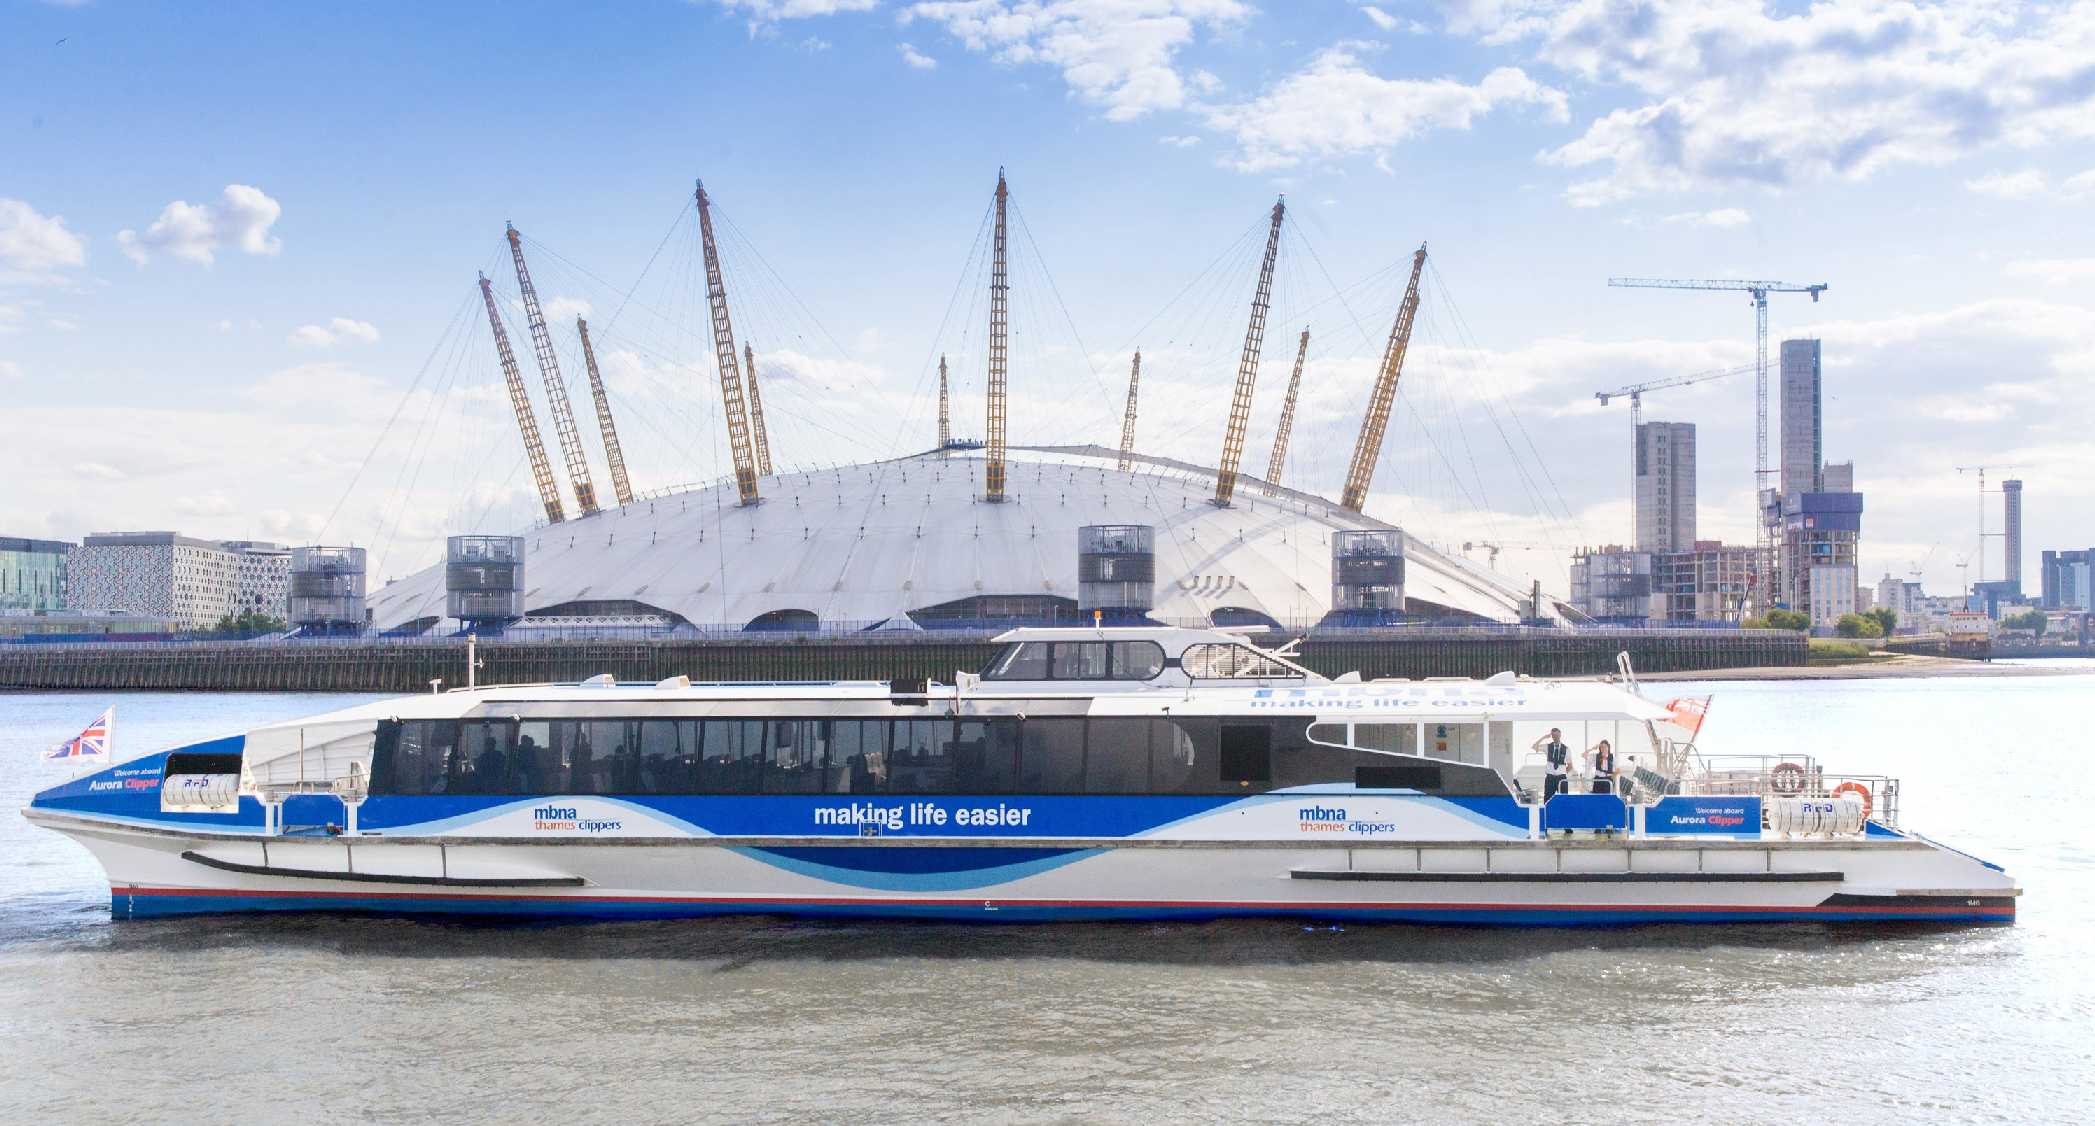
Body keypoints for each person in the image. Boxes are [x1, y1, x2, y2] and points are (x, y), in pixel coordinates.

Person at [1531, 728, 1570, 802]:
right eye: (1553, 735)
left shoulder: (1566, 749)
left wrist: (1561, 773)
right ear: (1551, 736)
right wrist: (1544, 737)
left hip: (1561, 778)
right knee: (1547, 800)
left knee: (1564, 800)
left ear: (1560, 735)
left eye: (1557, 735)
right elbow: (1534, 747)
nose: (1555, 737)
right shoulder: (1547, 747)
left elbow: (1570, 766)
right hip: (1550, 778)